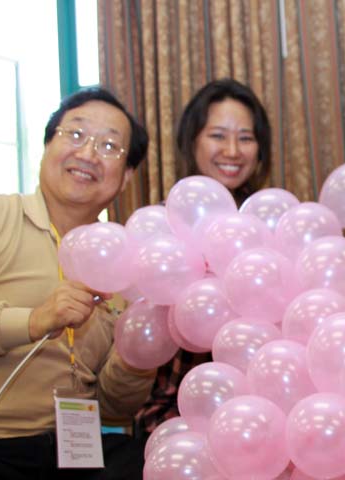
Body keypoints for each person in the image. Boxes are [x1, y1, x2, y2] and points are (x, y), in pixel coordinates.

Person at [0, 88, 154, 479]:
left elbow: (114, 408)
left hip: (76, 449)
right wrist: (34, 320)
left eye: (109, 146)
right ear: (47, 145)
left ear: (126, 175)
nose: (88, 154)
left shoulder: (126, 264)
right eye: (76, 134)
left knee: (150, 459)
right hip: (1, 443)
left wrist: (137, 356)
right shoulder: (0, 216)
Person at [135, 78, 272, 436]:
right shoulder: (161, 228)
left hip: (262, 417)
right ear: (192, 141)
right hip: (176, 414)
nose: (233, 150)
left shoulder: (269, 225)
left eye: (246, 138)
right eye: (218, 135)